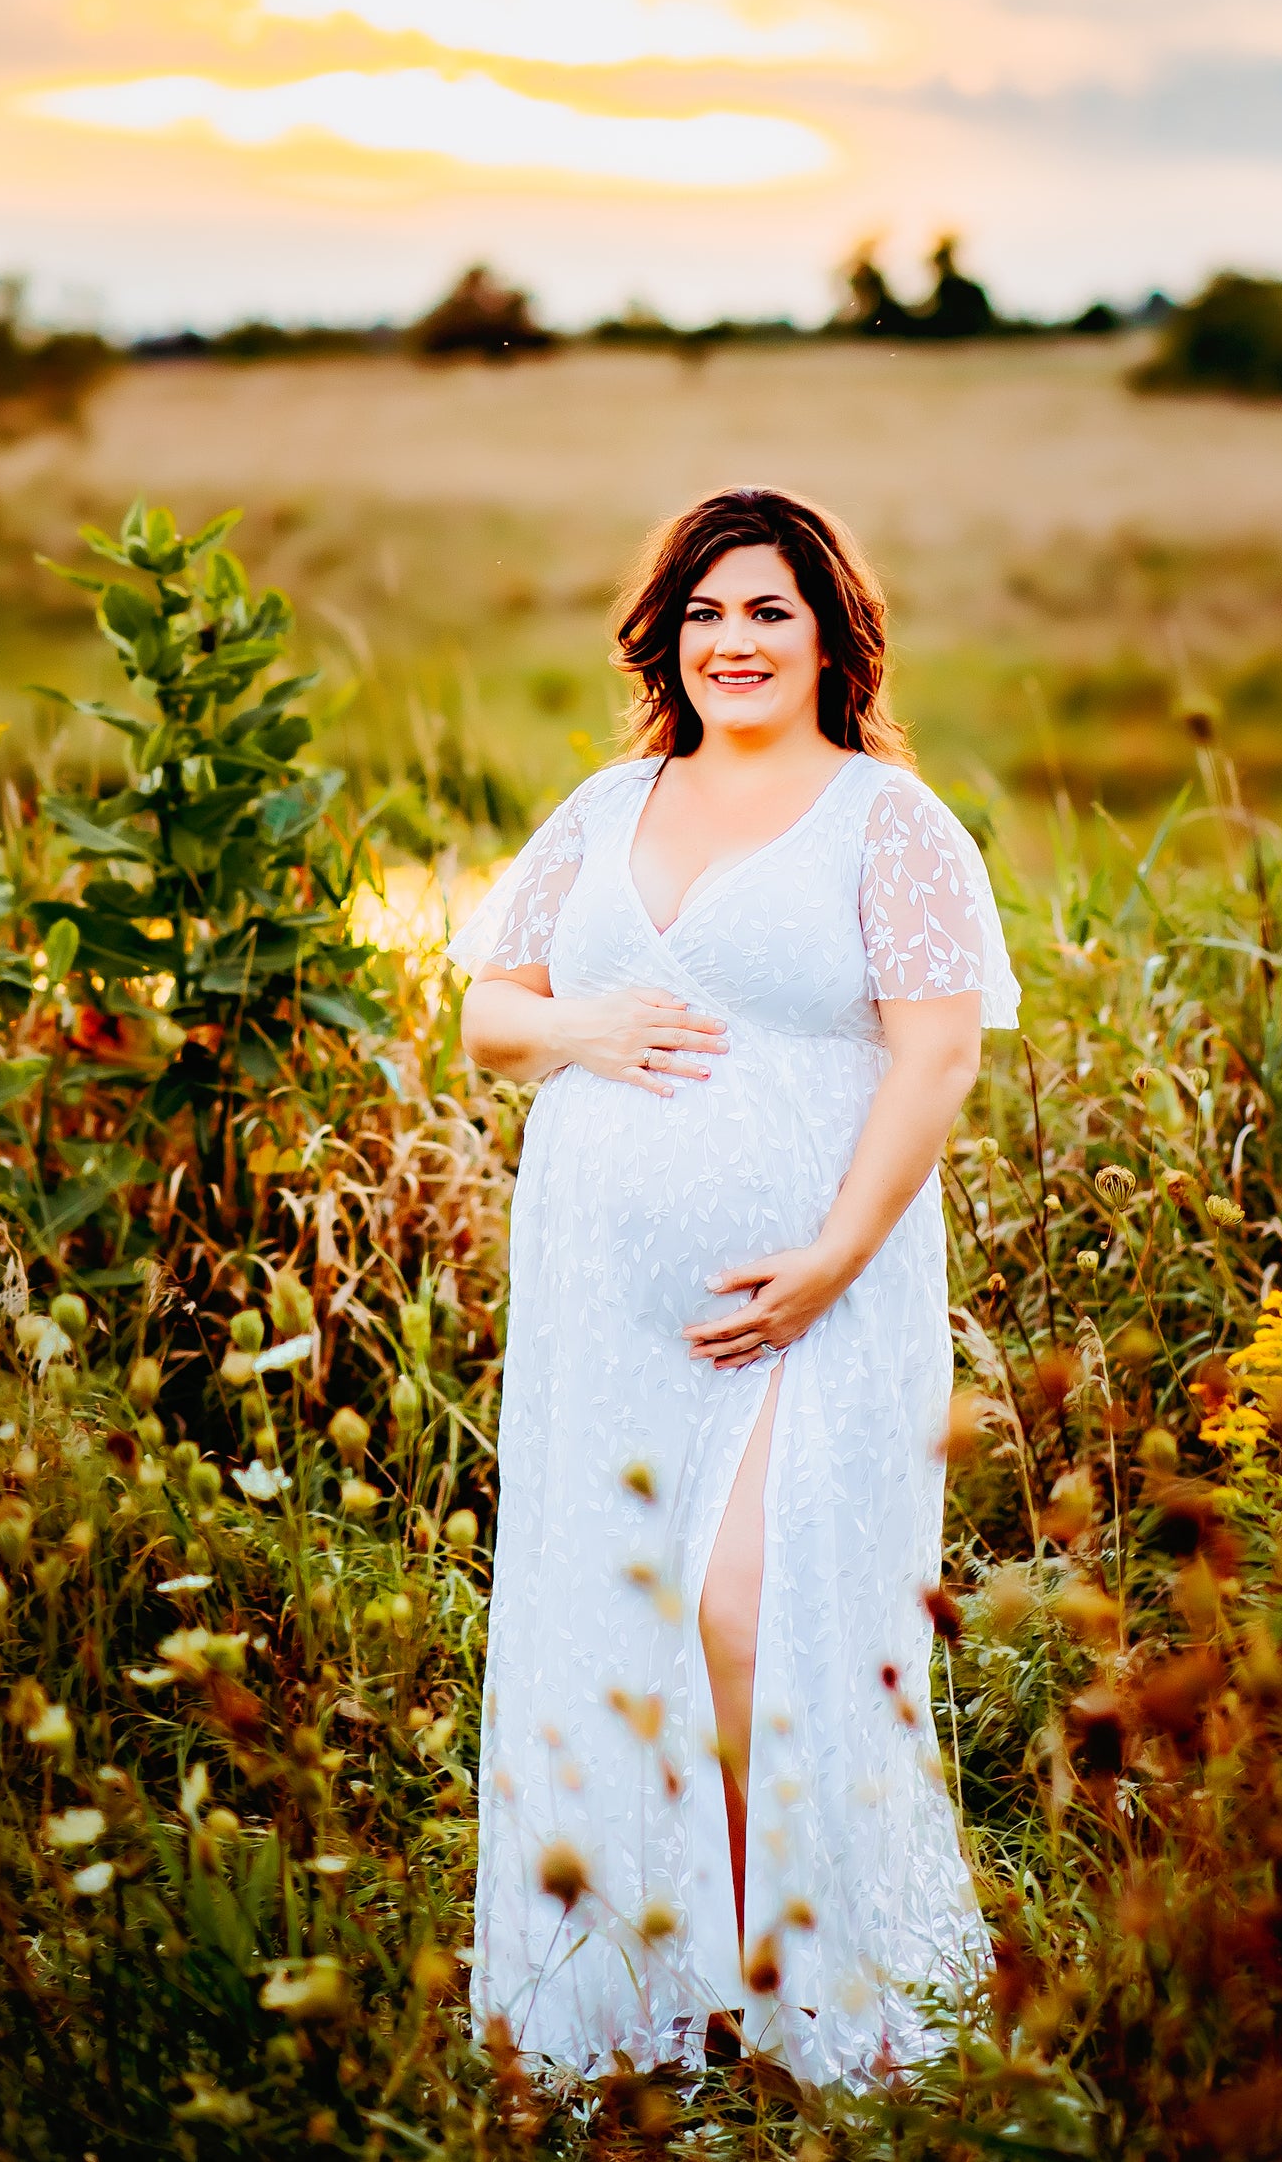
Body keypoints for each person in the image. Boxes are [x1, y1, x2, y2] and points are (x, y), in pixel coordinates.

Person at [452, 485, 1019, 2084]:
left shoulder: (886, 820)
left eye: (769, 610)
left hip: (807, 1294)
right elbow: (491, 1013)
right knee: (619, 1620)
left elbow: (938, 1059)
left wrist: (829, 1261)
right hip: (602, 1306)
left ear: (832, 632)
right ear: (667, 637)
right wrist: (586, 1027)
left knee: (754, 1616)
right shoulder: (607, 806)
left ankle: (802, 2002)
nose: (734, 641)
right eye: (705, 612)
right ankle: (658, 2000)